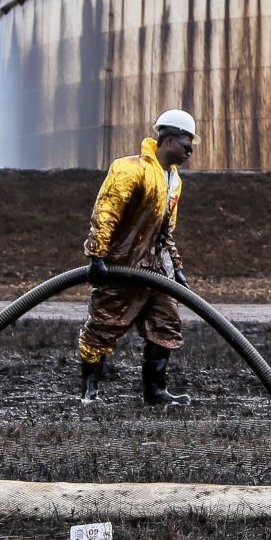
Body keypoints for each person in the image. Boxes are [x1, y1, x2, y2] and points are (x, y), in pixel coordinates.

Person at [77, 109, 197, 405]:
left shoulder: (174, 180)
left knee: (165, 325)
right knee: (102, 327)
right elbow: (106, 212)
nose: (190, 152)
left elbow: (164, 231)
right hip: (122, 266)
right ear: (169, 140)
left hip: (156, 272)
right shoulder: (129, 169)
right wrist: (97, 255)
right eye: (186, 145)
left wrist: (175, 268)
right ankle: (89, 394)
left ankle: (155, 393)